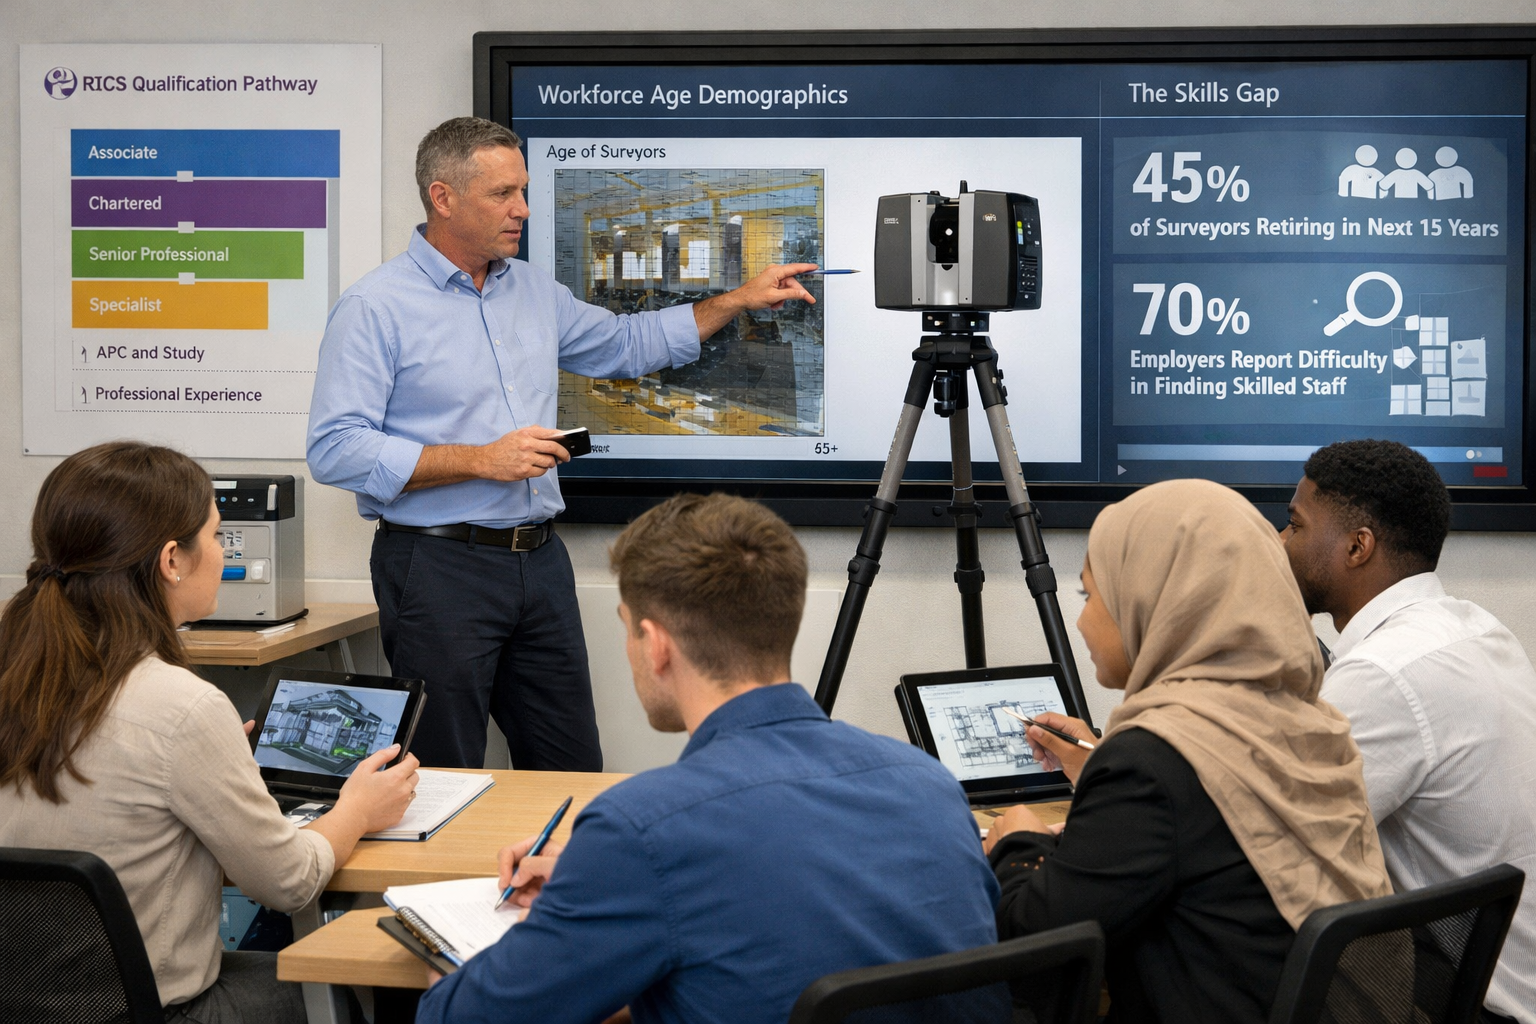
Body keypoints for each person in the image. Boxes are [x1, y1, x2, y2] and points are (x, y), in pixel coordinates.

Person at [306, 117, 817, 771]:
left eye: (523, 190)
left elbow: (627, 345)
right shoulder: (375, 307)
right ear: (443, 197)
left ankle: (567, 875)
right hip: (437, 572)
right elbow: (335, 448)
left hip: (540, 563)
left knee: (570, 765)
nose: (522, 209)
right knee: (441, 772)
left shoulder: (533, 290)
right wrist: (480, 460)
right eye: (502, 194)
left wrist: (737, 301)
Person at [414, 493, 999, 1024]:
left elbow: (461, 1018)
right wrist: (596, 889)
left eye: (627, 632)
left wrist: (487, 943)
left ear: (657, 643)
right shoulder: (930, 784)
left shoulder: (641, 828)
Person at [0, 442, 420, 1023]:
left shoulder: (17, 676)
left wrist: (218, 775)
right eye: (219, 537)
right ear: (172, 559)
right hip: (156, 1011)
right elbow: (291, 883)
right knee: (340, 982)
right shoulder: (181, 706)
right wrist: (359, 808)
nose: (224, 555)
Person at [984, 479, 1391, 1023]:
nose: (1081, 620)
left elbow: (1032, 949)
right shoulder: (1308, 720)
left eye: (1090, 595)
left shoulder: (1152, 761)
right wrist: (1099, 769)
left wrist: (1017, 842)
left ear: (1159, 600)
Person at [1281, 439, 1536, 1024]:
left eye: (1294, 525)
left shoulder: (1381, 672)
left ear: (1356, 546)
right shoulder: (1474, 628)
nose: (1280, 543)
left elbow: (1271, 833)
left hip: (1477, 1002)